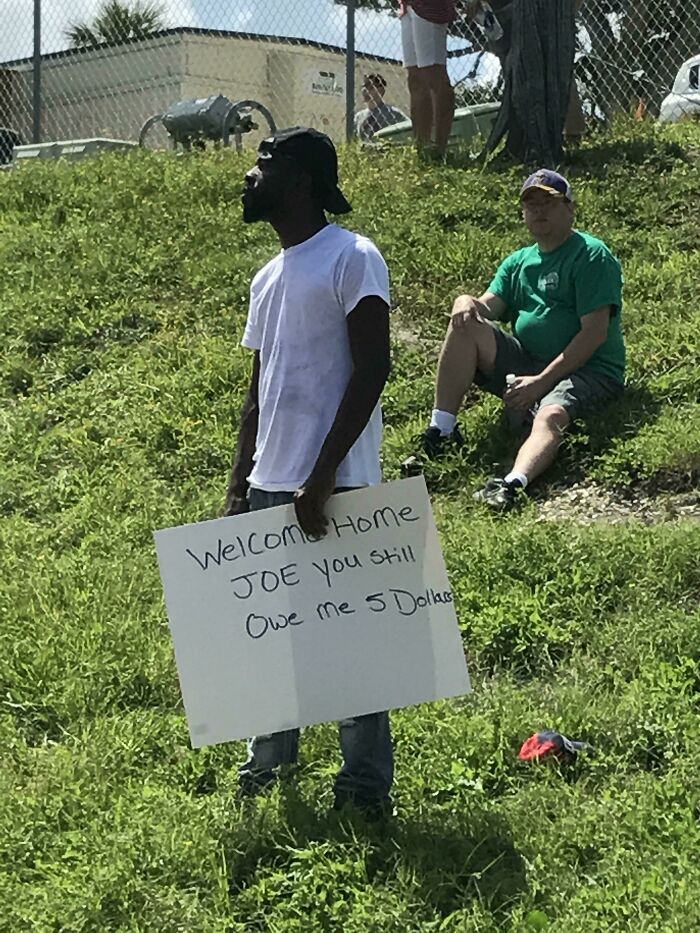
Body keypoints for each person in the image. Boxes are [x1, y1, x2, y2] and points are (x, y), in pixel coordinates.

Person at [224, 126, 394, 813]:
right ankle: (268, 768)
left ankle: (361, 790)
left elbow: (374, 365)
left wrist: (323, 473)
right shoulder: (267, 276)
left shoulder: (352, 257)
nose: (249, 175)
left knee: (348, 645)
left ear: (300, 178)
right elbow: (258, 386)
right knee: (271, 639)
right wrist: (240, 481)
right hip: (271, 481)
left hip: (337, 483)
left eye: (263, 164)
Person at [403, 169, 626, 512]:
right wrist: (465, 300)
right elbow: (488, 306)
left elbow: (594, 334)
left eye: (549, 203)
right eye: (531, 204)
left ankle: (512, 484)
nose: (539, 211)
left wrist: (539, 384)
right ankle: (441, 432)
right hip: (530, 362)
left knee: (550, 414)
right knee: (465, 325)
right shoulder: (519, 262)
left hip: (589, 370)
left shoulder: (591, 255)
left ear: (570, 209)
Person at [399, 0, 456, 157]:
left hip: (430, 7)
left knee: (434, 74)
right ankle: (422, 148)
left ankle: (439, 148)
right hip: (407, 7)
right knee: (415, 77)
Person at [354, 73, 408, 142]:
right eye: (364, 87)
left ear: (381, 91)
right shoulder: (358, 117)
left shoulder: (394, 114)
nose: (365, 91)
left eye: (370, 87)